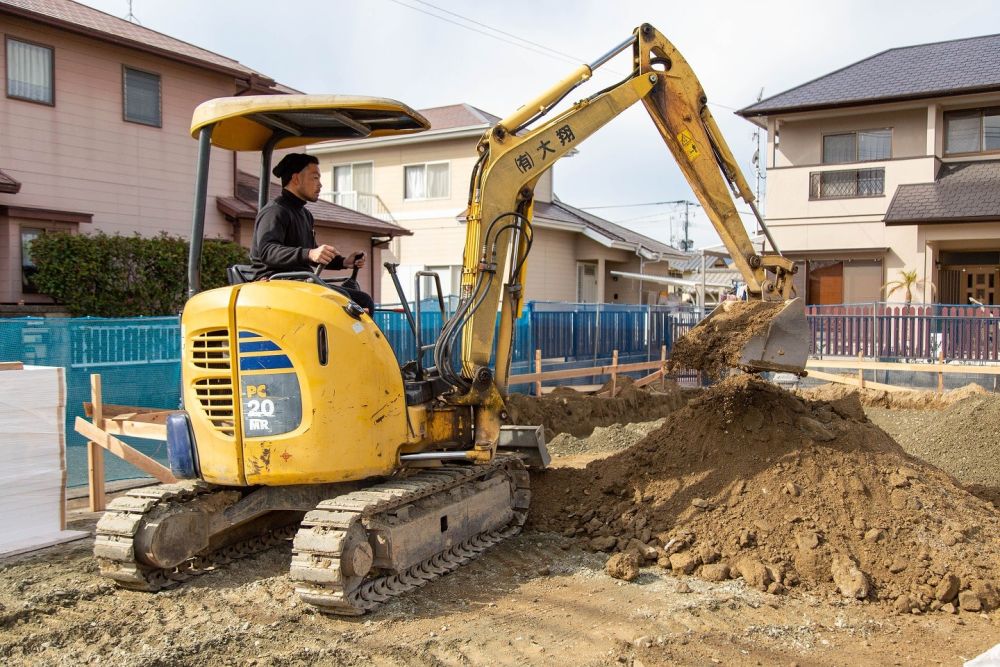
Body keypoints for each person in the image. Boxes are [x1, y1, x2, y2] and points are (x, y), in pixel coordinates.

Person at [248, 152, 375, 314]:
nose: (320, 184)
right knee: (350, 301)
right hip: (275, 284)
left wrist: (344, 262)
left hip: (299, 283)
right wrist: (309, 253)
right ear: (296, 179)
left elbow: (311, 254)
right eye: (315, 178)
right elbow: (268, 251)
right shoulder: (275, 211)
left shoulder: (305, 215)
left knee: (362, 300)